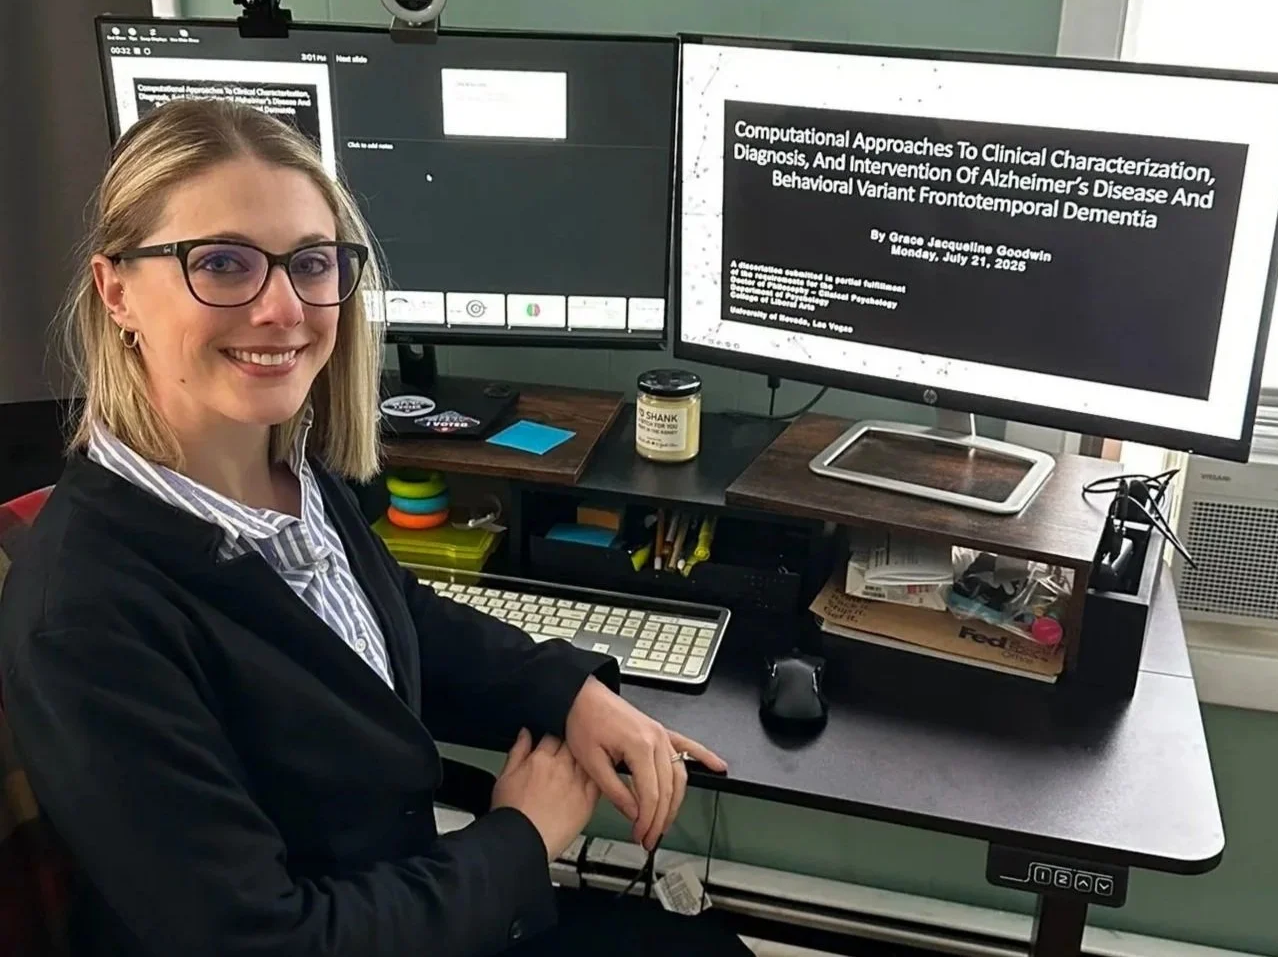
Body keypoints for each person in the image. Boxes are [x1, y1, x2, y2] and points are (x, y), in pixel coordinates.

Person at [0, 99, 752, 957]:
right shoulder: (89, 621)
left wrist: (569, 691)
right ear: (117, 289)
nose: (284, 308)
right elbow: (267, 943)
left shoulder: (282, 465)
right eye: (222, 262)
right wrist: (520, 842)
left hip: (408, 889)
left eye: (311, 264)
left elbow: (397, 616)